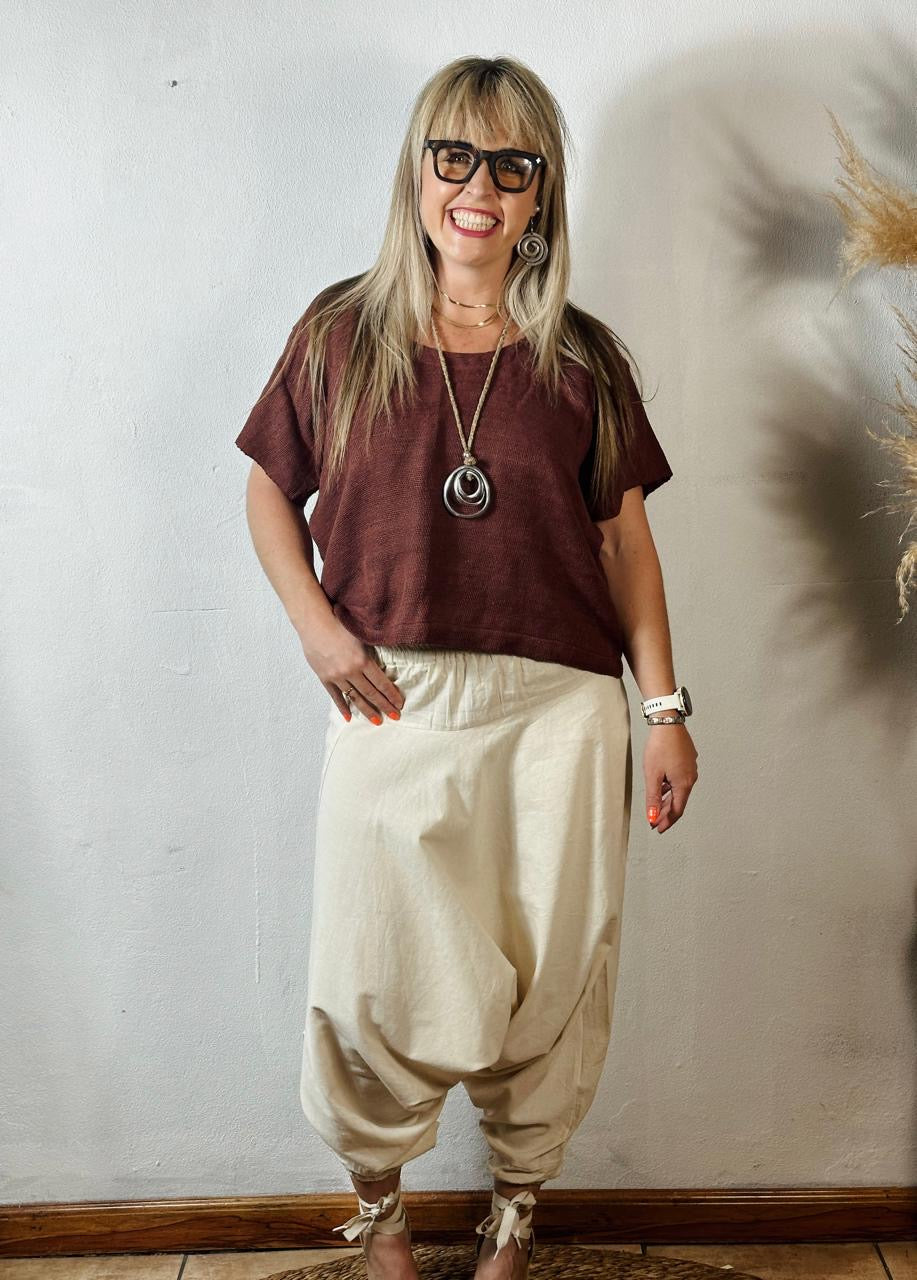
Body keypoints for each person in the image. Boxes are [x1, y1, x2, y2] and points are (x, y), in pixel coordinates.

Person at [235, 53, 698, 1280]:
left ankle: (511, 1222)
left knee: (553, 978)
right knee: (369, 978)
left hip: (560, 709)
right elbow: (270, 490)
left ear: (540, 192)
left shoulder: (582, 359)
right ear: (418, 169)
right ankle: (381, 1225)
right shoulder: (340, 334)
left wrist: (662, 708)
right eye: (455, 156)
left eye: (510, 164)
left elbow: (624, 543)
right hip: (395, 699)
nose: (478, 187)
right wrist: (316, 627)